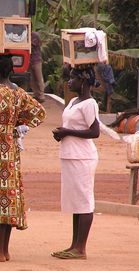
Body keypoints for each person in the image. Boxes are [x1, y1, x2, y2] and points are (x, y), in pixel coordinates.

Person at [0, 55, 46, 262]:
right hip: (11, 150)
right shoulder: (17, 91)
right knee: (8, 196)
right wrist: (14, 123)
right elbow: (39, 113)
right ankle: (3, 250)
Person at [51, 66, 100, 260]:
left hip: (83, 157)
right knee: (76, 203)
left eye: (73, 79)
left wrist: (68, 132)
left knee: (84, 201)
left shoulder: (89, 103)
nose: (69, 82)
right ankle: (74, 245)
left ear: (84, 81)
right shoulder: (73, 101)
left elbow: (94, 131)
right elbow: (74, 126)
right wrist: (63, 133)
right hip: (70, 155)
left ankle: (81, 248)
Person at [29, 31, 45, 103]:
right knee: (32, 78)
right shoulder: (25, 35)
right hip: (30, 59)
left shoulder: (34, 35)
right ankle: (36, 94)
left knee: (39, 77)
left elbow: (31, 45)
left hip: (36, 59)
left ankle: (41, 95)